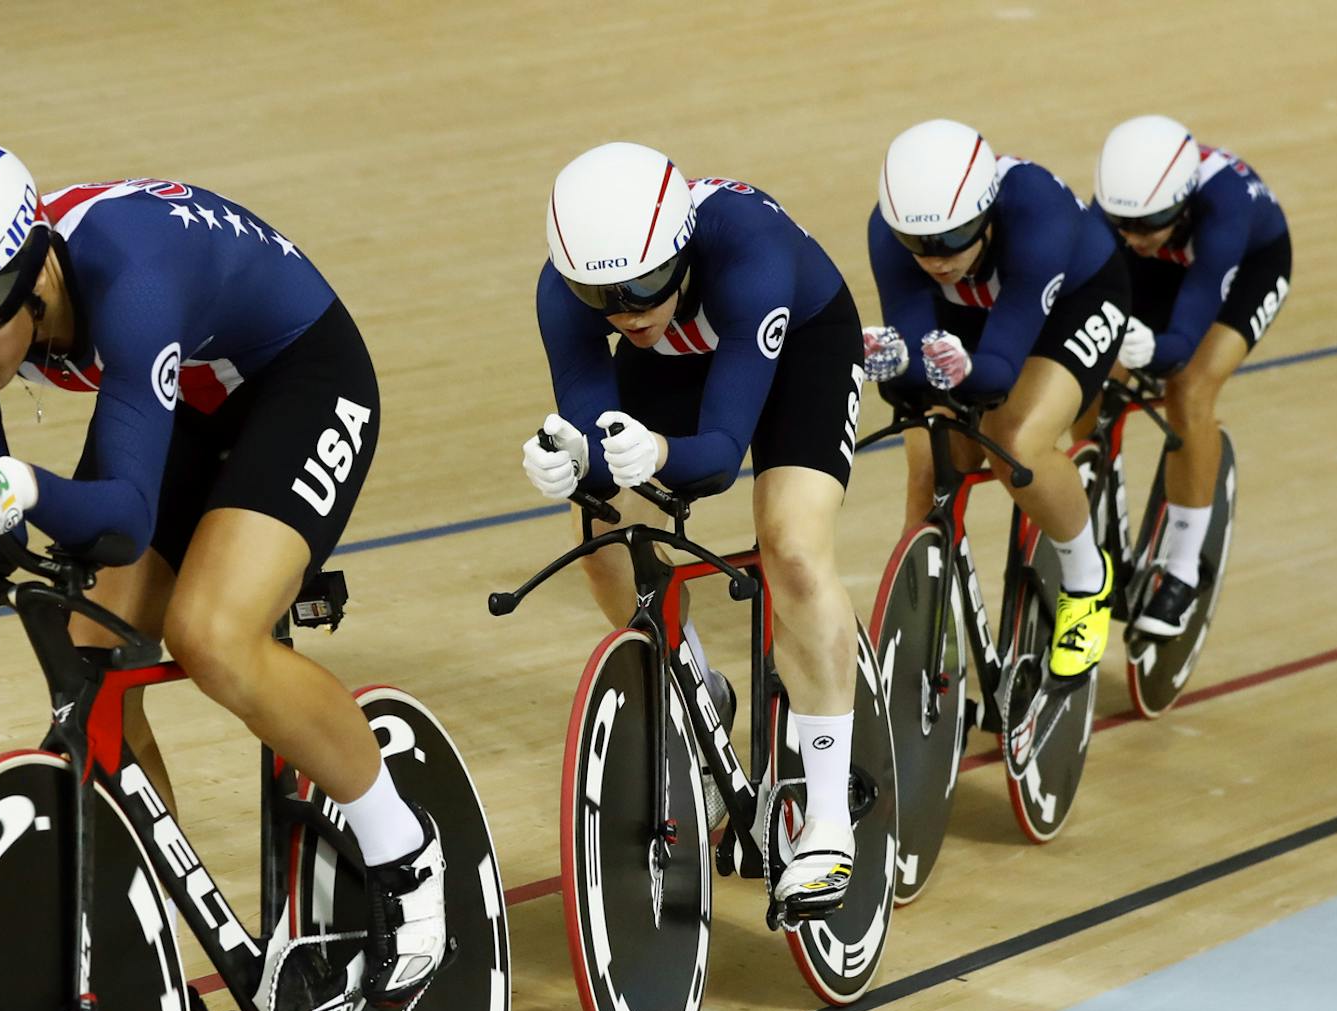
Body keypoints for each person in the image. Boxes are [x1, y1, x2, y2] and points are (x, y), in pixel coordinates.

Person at [0, 135, 443, 1002]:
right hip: (177, 395)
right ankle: (147, 930)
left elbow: (121, 520)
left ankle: (406, 856)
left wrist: (21, 486)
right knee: (86, 646)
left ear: (32, 271)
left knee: (213, 636)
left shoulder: (133, 274)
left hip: (300, 378)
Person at [521, 141, 872, 917]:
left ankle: (827, 815)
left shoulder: (748, 251)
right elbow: (592, 430)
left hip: (799, 348)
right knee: (605, 539)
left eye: (642, 288)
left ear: (680, 254)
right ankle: (700, 690)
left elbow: (716, 458)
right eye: (600, 298)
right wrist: (575, 464)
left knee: (791, 548)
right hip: (684, 360)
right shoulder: (572, 294)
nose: (625, 314)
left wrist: (659, 452)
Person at [861, 119, 1131, 678]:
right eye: (918, 245)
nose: (936, 259)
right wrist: (900, 369)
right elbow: (914, 358)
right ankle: (933, 628)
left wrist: (960, 372)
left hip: (1072, 302)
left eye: (953, 239)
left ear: (986, 214)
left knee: (1015, 444)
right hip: (972, 314)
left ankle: (1087, 579)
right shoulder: (888, 234)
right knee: (929, 461)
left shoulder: (1038, 213)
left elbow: (1000, 372)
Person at [1081, 115, 1292, 635]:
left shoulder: (1225, 207)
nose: (1134, 237)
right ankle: (1092, 497)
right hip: (1160, 272)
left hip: (1245, 270)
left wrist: (1157, 347)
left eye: (1150, 225)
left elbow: (1184, 337)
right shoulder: (1122, 217)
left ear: (1183, 201)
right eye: (1122, 225)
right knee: (1090, 372)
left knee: (1189, 389)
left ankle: (1181, 571)